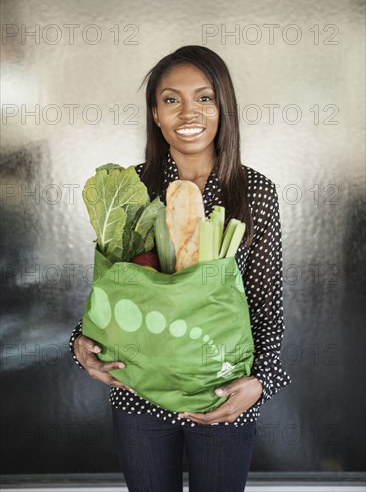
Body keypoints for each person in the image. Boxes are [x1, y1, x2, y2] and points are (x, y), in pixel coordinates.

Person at [69, 45, 292, 491]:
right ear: (155, 113)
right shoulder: (131, 189)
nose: (188, 112)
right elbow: (115, 287)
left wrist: (260, 384)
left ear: (223, 107)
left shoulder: (255, 192)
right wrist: (80, 343)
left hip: (221, 388)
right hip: (139, 390)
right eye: (172, 99)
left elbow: (266, 305)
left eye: (204, 98)